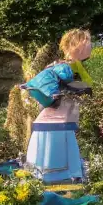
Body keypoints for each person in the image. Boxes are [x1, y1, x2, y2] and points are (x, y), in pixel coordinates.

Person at [22, 28, 93, 185]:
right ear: (76, 45)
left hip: (51, 117)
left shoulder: (57, 65)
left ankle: (44, 180)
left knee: (50, 153)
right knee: (61, 153)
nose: (89, 47)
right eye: (86, 43)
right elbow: (84, 87)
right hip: (59, 118)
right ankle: (60, 182)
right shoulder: (69, 67)